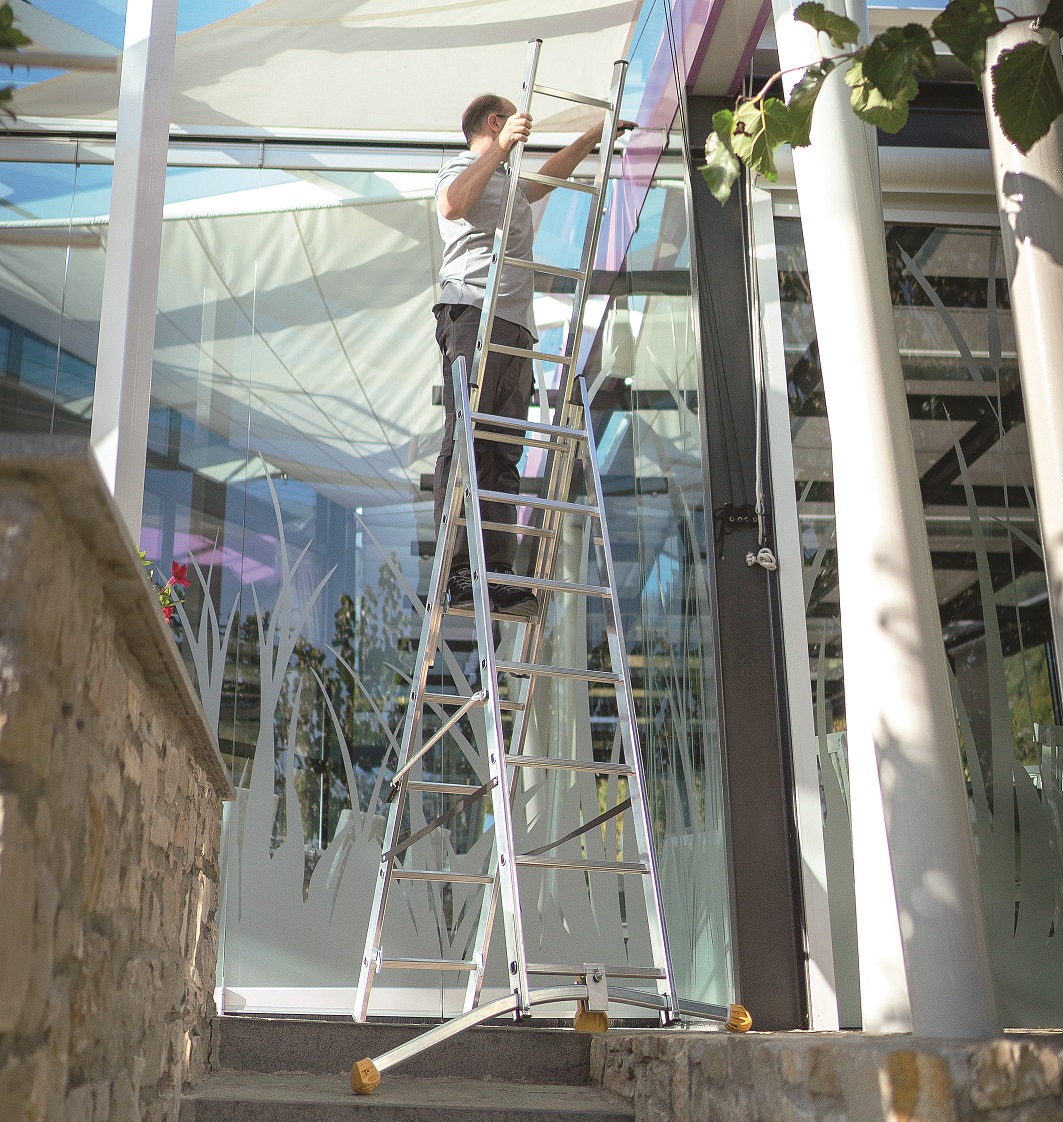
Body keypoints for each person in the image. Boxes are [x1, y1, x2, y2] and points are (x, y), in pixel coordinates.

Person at [433, 93, 630, 619]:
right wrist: (499, 148)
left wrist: (593, 138)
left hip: (514, 326)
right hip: (473, 313)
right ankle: (459, 569)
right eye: (513, 119)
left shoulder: (506, 179)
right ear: (495, 121)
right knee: (469, 439)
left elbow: (544, 180)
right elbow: (451, 204)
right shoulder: (464, 167)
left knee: (503, 452)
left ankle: (494, 574)